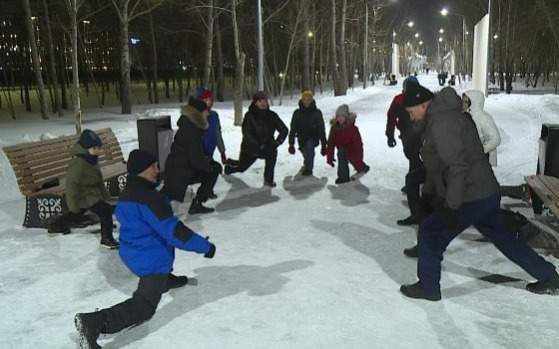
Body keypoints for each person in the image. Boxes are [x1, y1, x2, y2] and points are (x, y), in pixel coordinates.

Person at [399, 83, 559, 301]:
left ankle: (428, 287)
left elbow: (457, 167)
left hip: (470, 196)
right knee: (505, 238)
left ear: (424, 105)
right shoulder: (447, 116)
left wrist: (451, 206)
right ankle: (549, 276)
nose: (411, 116)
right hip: (484, 192)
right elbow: (438, 164)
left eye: (411, 111)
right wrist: (429, 193)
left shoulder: (442, 123)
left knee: (431, 233)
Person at [74, 149, 216, 348]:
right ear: (143, 170)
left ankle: (165, 280)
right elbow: (174, 232)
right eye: (154, 167)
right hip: (149, 258)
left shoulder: (130, 192)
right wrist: (205, 246)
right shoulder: (150, 198)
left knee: (159, 263)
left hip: (132, 250)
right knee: (145, 306)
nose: (158, 170)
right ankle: (94, 322)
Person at [46, 129, 119, 249]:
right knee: (102, 211)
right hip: (83, 196)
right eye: (94, 149)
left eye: (98, 148)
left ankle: (55, 226)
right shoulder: (78, 163)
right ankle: (106, 239)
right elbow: (71, 185)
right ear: (85, 148)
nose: (98, 151)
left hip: (91, 195)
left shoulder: (90, 159)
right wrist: (73, 205)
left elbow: (99, 180)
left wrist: (105, 195)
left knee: (79, 214)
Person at [161, 97, 221, 214]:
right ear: (198, 113)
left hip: (181, 168)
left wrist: (206, 161)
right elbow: (195, 159)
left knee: (166, 195)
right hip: (180, 171)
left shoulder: (190, 125)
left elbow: (194, 154)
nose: (208, 113)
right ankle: (149, 210)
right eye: (205, 111)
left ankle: (197, 203)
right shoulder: (191, 130)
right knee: (213, 169)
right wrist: (208, 166)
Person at [224, 91, 288, 187]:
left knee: (272, 153)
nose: (263, 103)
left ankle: (268, 179)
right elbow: (247, 134)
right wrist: (258, 146)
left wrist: (277, 142)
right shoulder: (249, 116)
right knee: (242, 168)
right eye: (260, 101)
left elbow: (284, 129)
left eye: (265, 101)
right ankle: (229, 167)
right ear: (255, 103)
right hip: (251, 148)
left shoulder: (272, 115)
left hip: (267, 146)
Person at [385, 76, 426, 226]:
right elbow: (391, 116)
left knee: (416, 161)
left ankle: (417, 209)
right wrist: (390, 135)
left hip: (420, 135)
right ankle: (413, 184)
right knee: (414, 160)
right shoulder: (399, 100)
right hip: (408, 136)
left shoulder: (420, 98)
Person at [325, 105, 369, 184]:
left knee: (356, 162)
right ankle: (343, 177)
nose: (340, 118)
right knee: (341, 153)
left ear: (346, 117)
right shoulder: (334, 128)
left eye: (342, 116)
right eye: (338, 116)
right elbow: (330, 143)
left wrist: (359, 158)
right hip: (342, 149)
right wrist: (329, 158)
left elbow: (358, 145)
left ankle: (363, 168)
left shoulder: (352, 129)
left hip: (353, 150)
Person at [288, 90, 327, 176]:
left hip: (313, 137)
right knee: (305, 152)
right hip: (301, 138)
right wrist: (291, 144)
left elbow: (321, 128)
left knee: (309, 148)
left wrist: (324, 144)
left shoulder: (317, 112)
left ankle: (309, 169)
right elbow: (293, 128)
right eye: (305, 99)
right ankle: (307, 162)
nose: (306, 101)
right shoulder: (297, 113)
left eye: (309, 99)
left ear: (312, 100)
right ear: (302, 100)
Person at [198, 89, 227, 198]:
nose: (210, 102)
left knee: (214, 168)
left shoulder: (214, 115)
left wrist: (222, 152)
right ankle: (203, 194)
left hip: (209, 152)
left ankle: (207, 190)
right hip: (198, 153)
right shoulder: (195, 116)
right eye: (206, 99)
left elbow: (217, 135)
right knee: (212, 169)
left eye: (211, 99)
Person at [462, 90, 501, 167]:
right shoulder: (466, 115)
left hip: (484, 159)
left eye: (466, 102)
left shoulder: (484, 118)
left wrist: (480, 150)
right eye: (462, 101)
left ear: (474, 103)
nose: (463, 104)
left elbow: (496, 139)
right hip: (471, 159)